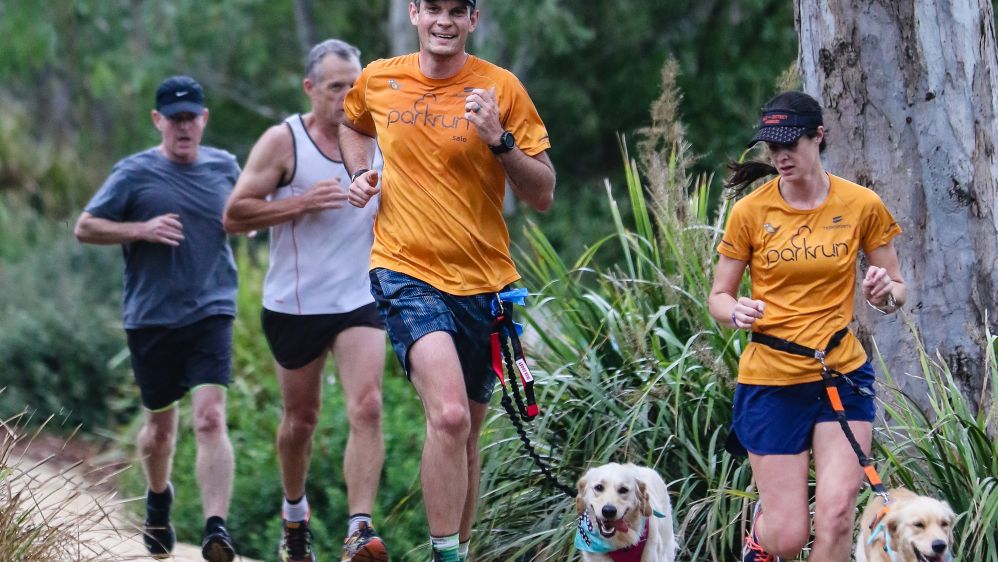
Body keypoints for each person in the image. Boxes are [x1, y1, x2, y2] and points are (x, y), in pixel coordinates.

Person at [338, 1, 556, 560]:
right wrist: (361, 172)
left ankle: (458, 548)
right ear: (414, 12)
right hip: (405, 268)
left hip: (487, 284)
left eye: (456, 11)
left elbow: (543, 194)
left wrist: (499, 139)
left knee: (466, 436)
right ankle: (445, 555)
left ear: (473, 19)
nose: (444, 20)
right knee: (450, 415)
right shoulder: (381, 78)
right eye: (432, 7)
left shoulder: (500, 89)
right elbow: (351, 123)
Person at [707, 91, 906, 562]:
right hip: (771, 381)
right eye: (771, 147)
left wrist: (883, 294)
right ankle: (763, 537)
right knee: (789, 538)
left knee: (837, 517)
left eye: (790, 143)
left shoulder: (861, 204)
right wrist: (734, 311)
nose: (780, 156)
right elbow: (718, 296)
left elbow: (898, 287)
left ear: (819, 136)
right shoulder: (750, 212)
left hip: (841, 374)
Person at [222, 39, 388, 562]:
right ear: (310, 88)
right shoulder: (283, 141)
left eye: (353, 84)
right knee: (301, 421)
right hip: (295, 303)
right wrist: (296, 204)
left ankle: (359, 529)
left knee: (368, 404)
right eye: (336, 86)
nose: (346, 95)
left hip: (360, 297)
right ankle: (295, 516)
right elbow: (234, 214)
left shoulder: (379, 133)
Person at [73, 75, 239, 562]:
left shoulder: (226, 167)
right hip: (151, 316)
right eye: (175, 119)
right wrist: (140, 228)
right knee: (161, 429)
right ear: (158, 121)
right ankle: (158, 497)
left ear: (204, 120)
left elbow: (250, 210)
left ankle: (216, 529)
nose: (184, 127)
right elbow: (85, 227)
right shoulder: (133, 173)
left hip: (212, 309)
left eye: (192, 118)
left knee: (210, 418)